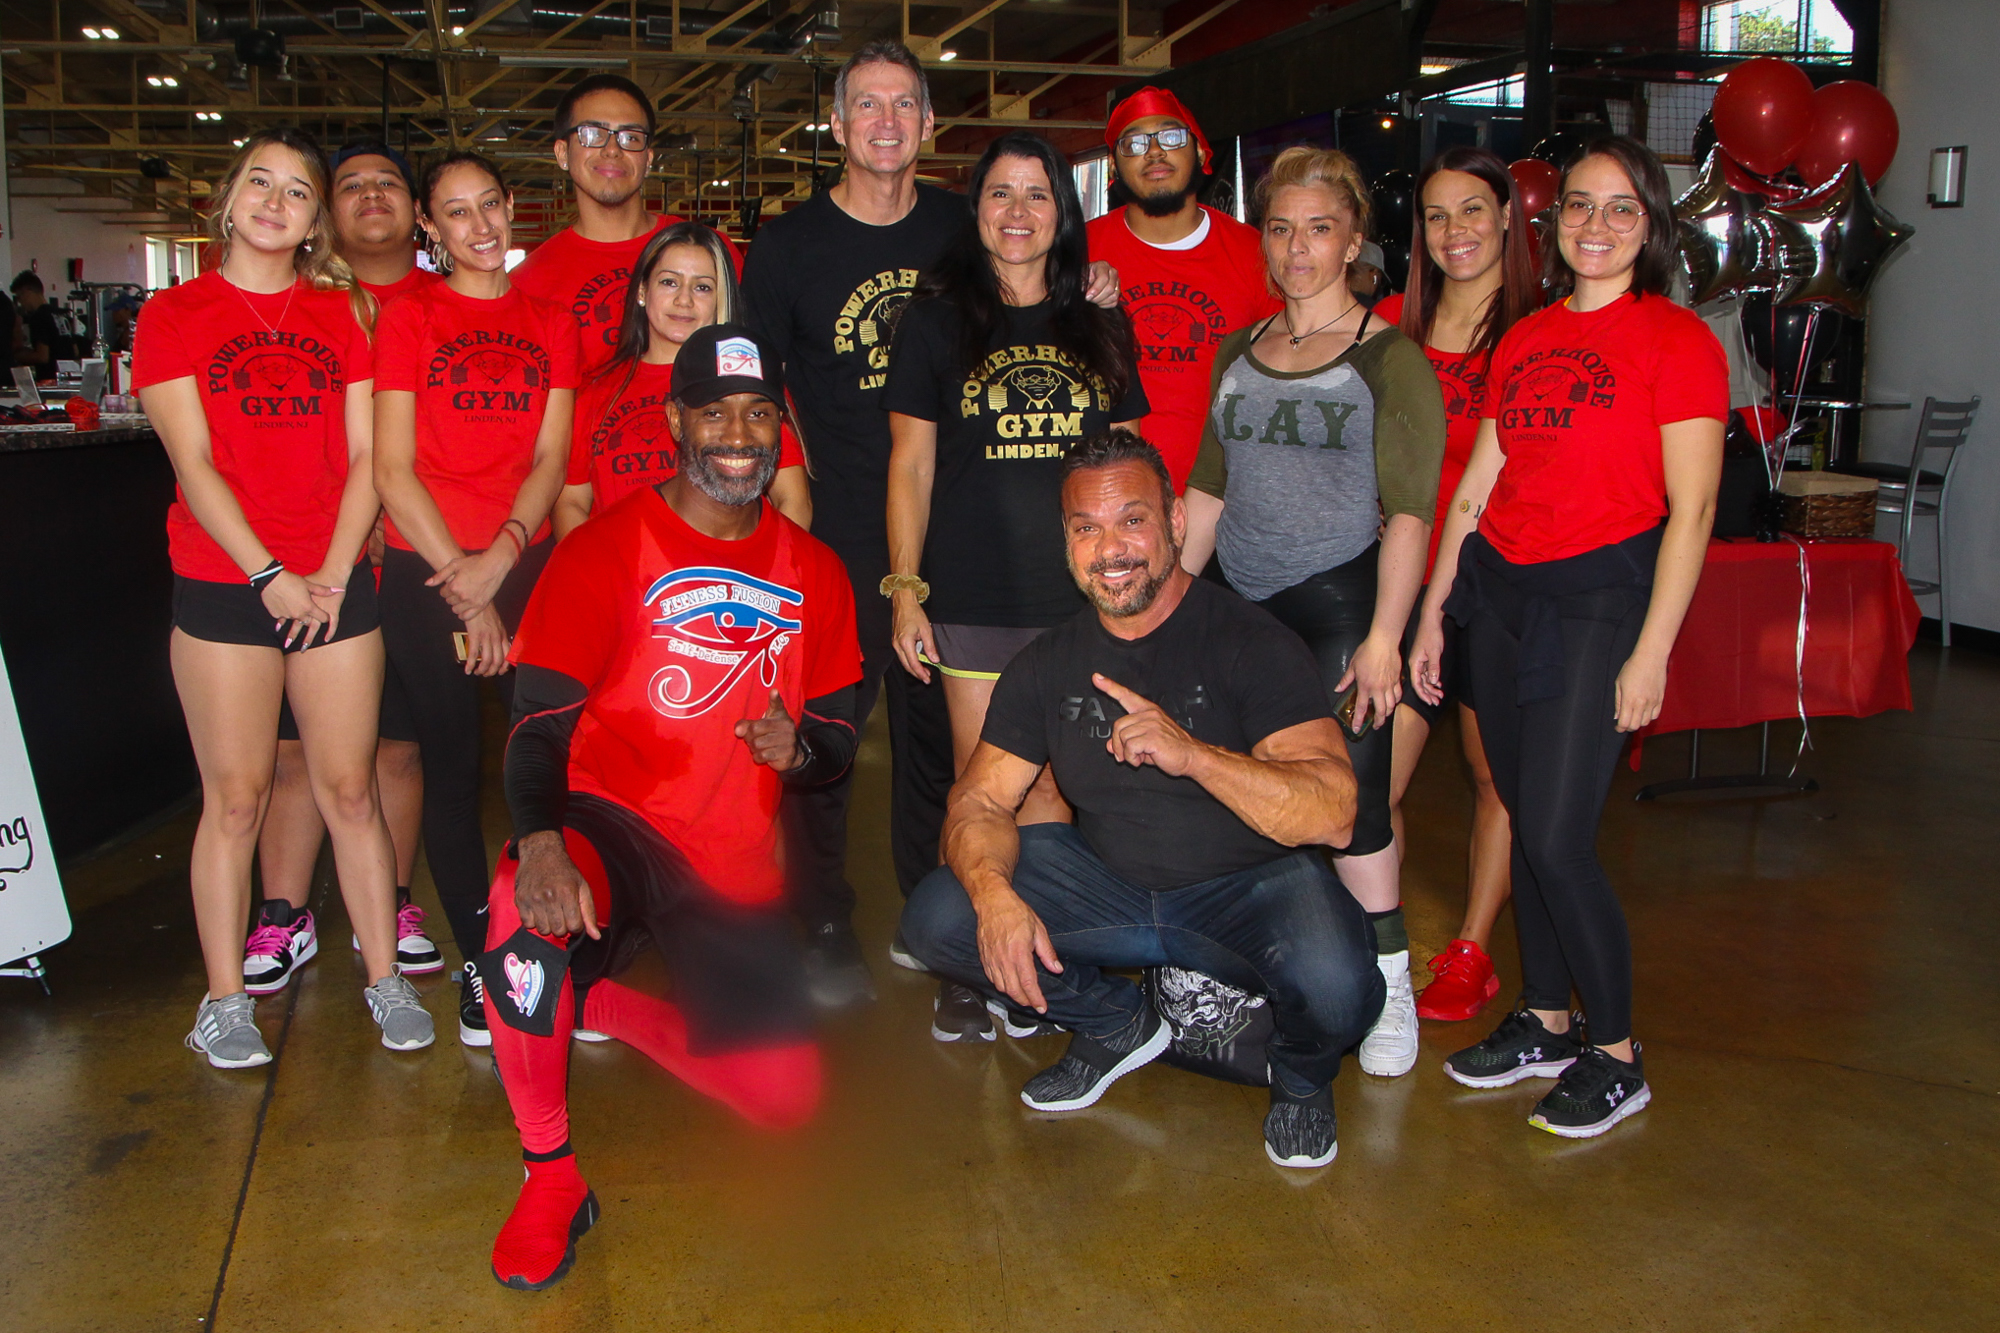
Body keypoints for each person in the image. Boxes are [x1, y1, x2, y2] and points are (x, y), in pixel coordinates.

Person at [744, 41, 1121, 1015]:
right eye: (865, 105)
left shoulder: (966, 220)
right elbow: (759, 381)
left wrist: (1091, 287)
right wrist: (789, 491)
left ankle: (937, 914)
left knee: (936, 749)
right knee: (830, 732)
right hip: (839, 522)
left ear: (927, 123)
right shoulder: (788, 246)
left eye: (902, 104)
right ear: (837, 124)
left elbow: (1041, 275)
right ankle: (824, 919)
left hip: (959, 529)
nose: (885, 122)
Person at [483, 324, 860, 1290]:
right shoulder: (603, 550)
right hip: (609, 820)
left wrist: (800, 749)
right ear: (675, 420)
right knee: (521, 912)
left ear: (781, 431)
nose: (738, 434)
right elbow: (535, 728)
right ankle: (549, 1175)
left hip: (728, 857)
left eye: (759, 413)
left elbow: (838, 739)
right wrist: (540, 841)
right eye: (714, 412)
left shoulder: (816, 571)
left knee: (782, 1099)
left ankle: (597, 999)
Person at [900, 432, 1380, 1168]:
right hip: (1110, 880)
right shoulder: (1049, 662)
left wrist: (1195, 756)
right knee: (939, 916)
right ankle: (1114, 1021)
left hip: (1247, 886)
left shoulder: (1249, 640)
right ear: (1066, 543)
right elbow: (980, 801)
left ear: (1176, 521)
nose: (1110, 549)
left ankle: (1301, 1078)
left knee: (1342, 986)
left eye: (1132, 520)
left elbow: (1335, 811)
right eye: (1086, 528)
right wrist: (994, 898)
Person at [1410, 135, 1725, 1138]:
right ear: (1552, 226)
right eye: (1579, 205)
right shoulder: (1527, 336)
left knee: (1554, 836)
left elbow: (1692, 510)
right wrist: (1436, 609)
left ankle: (1616, 1052)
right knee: (1517, 810)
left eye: (1620, 207)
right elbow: (1479, 481)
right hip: (1498, 590)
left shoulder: (1677, 340)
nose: (1595, 224)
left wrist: (1651, 650)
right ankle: (1546, 1017)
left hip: (1597, 599)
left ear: (1650, 225)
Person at [133, 127, 433, 1067]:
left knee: (350, 790)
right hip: (227, 583)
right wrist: (269, 574)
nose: (274, 201)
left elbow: (367, 457)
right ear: (227, 203)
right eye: (258, 183)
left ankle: (384, 978)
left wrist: (333, 575)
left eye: (296, 191)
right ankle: (224, 1003)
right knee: (237, 799)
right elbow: (194, 462)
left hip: (334, 582)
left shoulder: (343, 313)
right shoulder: (173, 315)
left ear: (313, 222)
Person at [1179, 145, 1445, 1080]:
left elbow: (1410, 512)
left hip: (1339, 602)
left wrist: (1384, 640)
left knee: (1350, 804)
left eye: (1319, 229)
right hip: (1239, 604)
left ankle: (1390, 980)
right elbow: (1208, 492)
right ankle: (1261, 968)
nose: (1298, 249)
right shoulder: (1238, 351)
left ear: (1353, 239)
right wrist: (1166, 608)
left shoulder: (1389, 358)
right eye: (1282, 229)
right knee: (1239, 794)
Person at [885, 130, 1148, 1041]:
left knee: (1064, 800)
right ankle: (970, 958)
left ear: (1062, 214)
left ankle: (1042, 957)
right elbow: (910, 465)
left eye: (1038, 194)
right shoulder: (934, 320)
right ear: (977, 211)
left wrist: (1145, 583)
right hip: (976, 596)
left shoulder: (1099, 319)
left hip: (1084, 600)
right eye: (1001, 193)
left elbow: (1131, 464)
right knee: (983, 793)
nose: (1019, 212)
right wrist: (906, 587)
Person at [373, 151, 580, 1047]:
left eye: (489, 204)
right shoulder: (408, 315)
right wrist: (467, 585)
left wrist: (503, 554)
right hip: (428, 572)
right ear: (430, 226)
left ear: (511, 205)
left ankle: (560, 940)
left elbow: (551, 457)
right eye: (456, 212)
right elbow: (392, 469)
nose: (480, 226)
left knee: (546, 760)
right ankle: (479, 963)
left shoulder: (550, 321)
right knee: (454, 769)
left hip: (523, 564)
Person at [246, 140, 439, 994]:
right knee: (290, 753)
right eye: (350, 185)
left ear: (416, 211)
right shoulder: (303, 302)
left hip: (415, 561)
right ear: (328, 211)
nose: (370, 196)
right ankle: (283, 914)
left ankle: (387, 905)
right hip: (317, 564)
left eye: (387, 182)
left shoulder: (442, 301)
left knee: (395, 749)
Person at [1373, 146, 1539, 1023]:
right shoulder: (1392, 330)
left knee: (1492, 776)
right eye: (1435, 216)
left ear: (1507, 216)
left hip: (1490, 584)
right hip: (1402, 582)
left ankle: (1472, 949)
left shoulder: (1534, 331)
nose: (1454, 231)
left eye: (1472, 209)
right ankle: (1382, 944)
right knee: (1371, 787)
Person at [551, 220, 810, 536]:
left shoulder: (752, 380)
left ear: (721, 298)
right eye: (669, 282)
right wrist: (601, 566)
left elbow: (793, 502)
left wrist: (764, 567)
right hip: (624, 565)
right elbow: (571, 504)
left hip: (726, 566)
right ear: (642, 290)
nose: (684, 300)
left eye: (702, 287)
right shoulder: (597, 391)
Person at [1085, 86, 1278, 491]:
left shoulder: (1256, 254)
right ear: (1114, 165)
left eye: (1171, 137)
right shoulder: (1079, 251)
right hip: (1105, 496)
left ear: (1202, 152)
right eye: (1135, 143)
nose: (1155, 152)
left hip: (1226, 498)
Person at [511, 73, 728, 371]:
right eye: (592, 134)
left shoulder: (712, 255)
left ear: (648, 159)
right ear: (562, 153)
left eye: (630, 137)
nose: (612, 149)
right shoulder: (528, 285)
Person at [12, 271, 78, 374]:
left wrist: (13, 355)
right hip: (68, 375)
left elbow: (42, 356)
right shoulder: (60, 314)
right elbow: (75, 350)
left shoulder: (38, 317)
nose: (20, 302)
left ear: (27, 292)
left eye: (19, 297)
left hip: (49, 377)